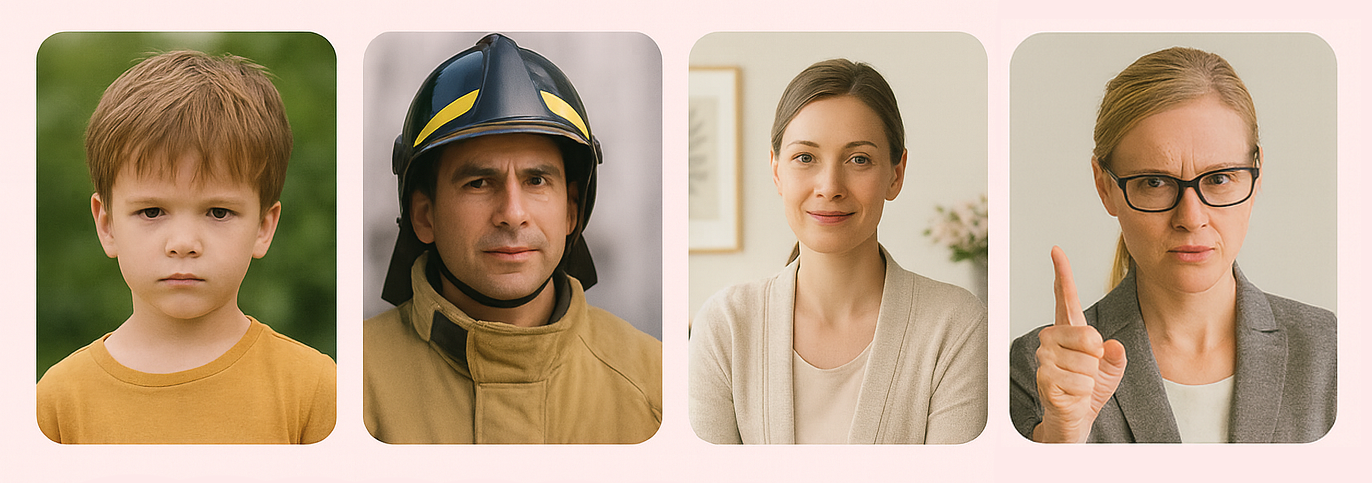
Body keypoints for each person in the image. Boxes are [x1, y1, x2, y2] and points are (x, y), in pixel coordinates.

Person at [1009, 47, 1336, 443]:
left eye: (1219, 179)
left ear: (1257, 175)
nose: (1191, 218)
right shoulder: (1035, 370)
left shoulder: (1335, 353)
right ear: (1105, 186)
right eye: (1154, 182)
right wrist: (1062, 440)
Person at [363, 33, 662, 444]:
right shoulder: (349, 384)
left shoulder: (657, 385)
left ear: (572, 210)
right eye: (479, 182)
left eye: (536, 180)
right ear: (423, 215)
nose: (513, 213)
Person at [36, 50, 337, 444]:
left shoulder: (316, 389)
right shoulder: (57, 401)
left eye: (218, 212)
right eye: (151, 211)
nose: (183, 244)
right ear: (106, 225)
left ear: (264, 227)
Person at [689, 59, 988, 444]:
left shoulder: (956, 325)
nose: (830, 186)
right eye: (805, 158)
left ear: (896, 174)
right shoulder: (725, 325)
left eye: (858, 159)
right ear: (777, 170)